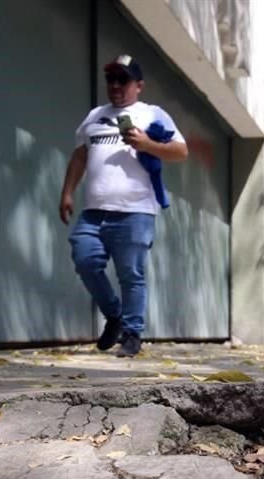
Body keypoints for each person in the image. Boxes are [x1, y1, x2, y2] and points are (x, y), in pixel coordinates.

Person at [59, 55, 188, 358]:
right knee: (84, 259)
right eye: (111, 79)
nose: (115, 86)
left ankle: (132, 333)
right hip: (94, 211)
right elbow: (80, 156)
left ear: (139, 86)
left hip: (135, 211)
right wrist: (67, 192)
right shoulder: (94, 116)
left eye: (123, 80)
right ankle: (115, 316)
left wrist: (147, 145)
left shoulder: (152, 114)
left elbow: (181, 151)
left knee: (131, 274)